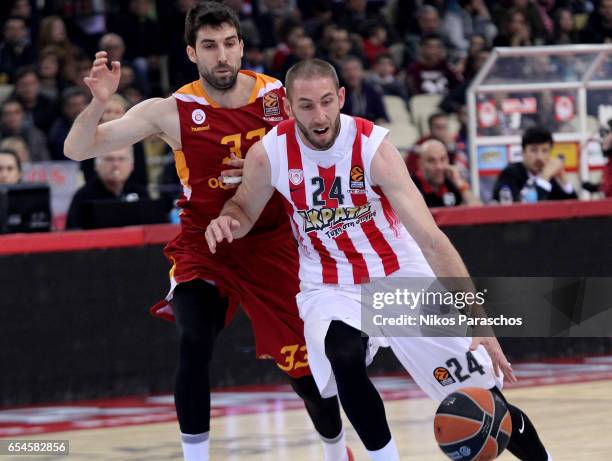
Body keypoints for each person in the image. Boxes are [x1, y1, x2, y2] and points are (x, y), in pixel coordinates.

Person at [206, 58, 552, 461]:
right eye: (305, 105)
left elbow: (432, 241)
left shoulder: (374, 149)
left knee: (484, 406)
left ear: (340, 98)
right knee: (343, 353)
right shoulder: (270, 154)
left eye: (325, 102)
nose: (318, 116)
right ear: (287, 106)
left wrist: (477, 318)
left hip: (400, 275)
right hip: (331, 283)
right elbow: (244, 208)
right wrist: (228, 221)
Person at [63, 4, 351, 461]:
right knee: (193, 337)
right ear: (192, 53)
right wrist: (98, 102)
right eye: (210, 46)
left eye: (230, 44)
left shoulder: (277, 95)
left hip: (272, 243)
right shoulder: (171, 110)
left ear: (241, 46)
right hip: (206, 244)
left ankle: (338, 452)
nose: (222, 56)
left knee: (307, 372)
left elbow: (325, 151)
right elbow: (77, 149)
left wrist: (266, 168)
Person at [492, 126, 577, 203]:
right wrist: (544, 178)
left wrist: (564, 181)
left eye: (545, 151)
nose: (539, 157)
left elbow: (573, 209)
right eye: (534, 150)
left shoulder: (550, 177)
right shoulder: (510, 174)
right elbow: (522, 209)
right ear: (523, 152)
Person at [412, 139, 480, 207]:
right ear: (420, 164)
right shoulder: (411, 186)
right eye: (431, 161)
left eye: (443, 159)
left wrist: (460, 183)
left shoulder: (451, 184)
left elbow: (478, 210)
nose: (439, 167)